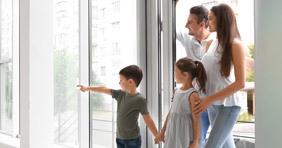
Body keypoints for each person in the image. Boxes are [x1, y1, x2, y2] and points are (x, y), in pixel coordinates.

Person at [193, 4, 246, 148]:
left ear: (221, 19)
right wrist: (188, 91)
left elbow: (241, 83)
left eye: (210, 18)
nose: (208, 22)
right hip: (212, 104)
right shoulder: (212, 43)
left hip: (228, 106)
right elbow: (206, 75)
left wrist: (208, 99)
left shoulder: (235, 45)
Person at [77, 65, 159, 148]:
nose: (119, 82)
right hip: (119, 138)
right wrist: (87, 88)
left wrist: (156, 134)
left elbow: (148, 119)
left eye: (121, 80)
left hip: (132, 140)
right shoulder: (120, 94)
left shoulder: (139, 99)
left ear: (130, 82)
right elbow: (104, 89)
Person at [176, 4, 213, 147]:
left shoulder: (216, 41)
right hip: (199, 99)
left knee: (220, 140)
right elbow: (166, 25)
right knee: (197, 140)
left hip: (217, 99)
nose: (186, 25)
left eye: (190, 22)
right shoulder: (187, 38)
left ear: (202, 24)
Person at [155, 57, 207, 148]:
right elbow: (171, 113)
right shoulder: (177, 91)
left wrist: (195, 142)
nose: (174, 75)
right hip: (173, 133)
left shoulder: (192, 95)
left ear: (185, 74)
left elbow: (196, 120)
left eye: (176, 72)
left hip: (185, 135)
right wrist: (162, 132)